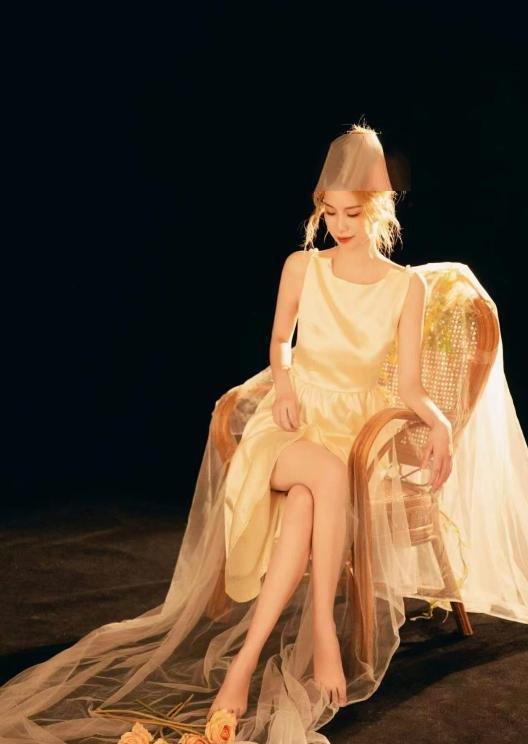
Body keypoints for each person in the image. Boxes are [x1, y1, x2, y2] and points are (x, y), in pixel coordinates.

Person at [1, 123, 527, 744]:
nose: (339, 225)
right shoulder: (303, 266)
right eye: (329, 212)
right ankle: (325, 632)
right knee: (319, 474)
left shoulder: (405, 287)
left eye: (353, 213)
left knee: (308, 500)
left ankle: (243, 667)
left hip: (355, 436)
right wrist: (284, 385)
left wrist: (437, 422)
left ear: (379, 209)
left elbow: (409, 387)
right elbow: (280, 342)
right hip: (292, 429)